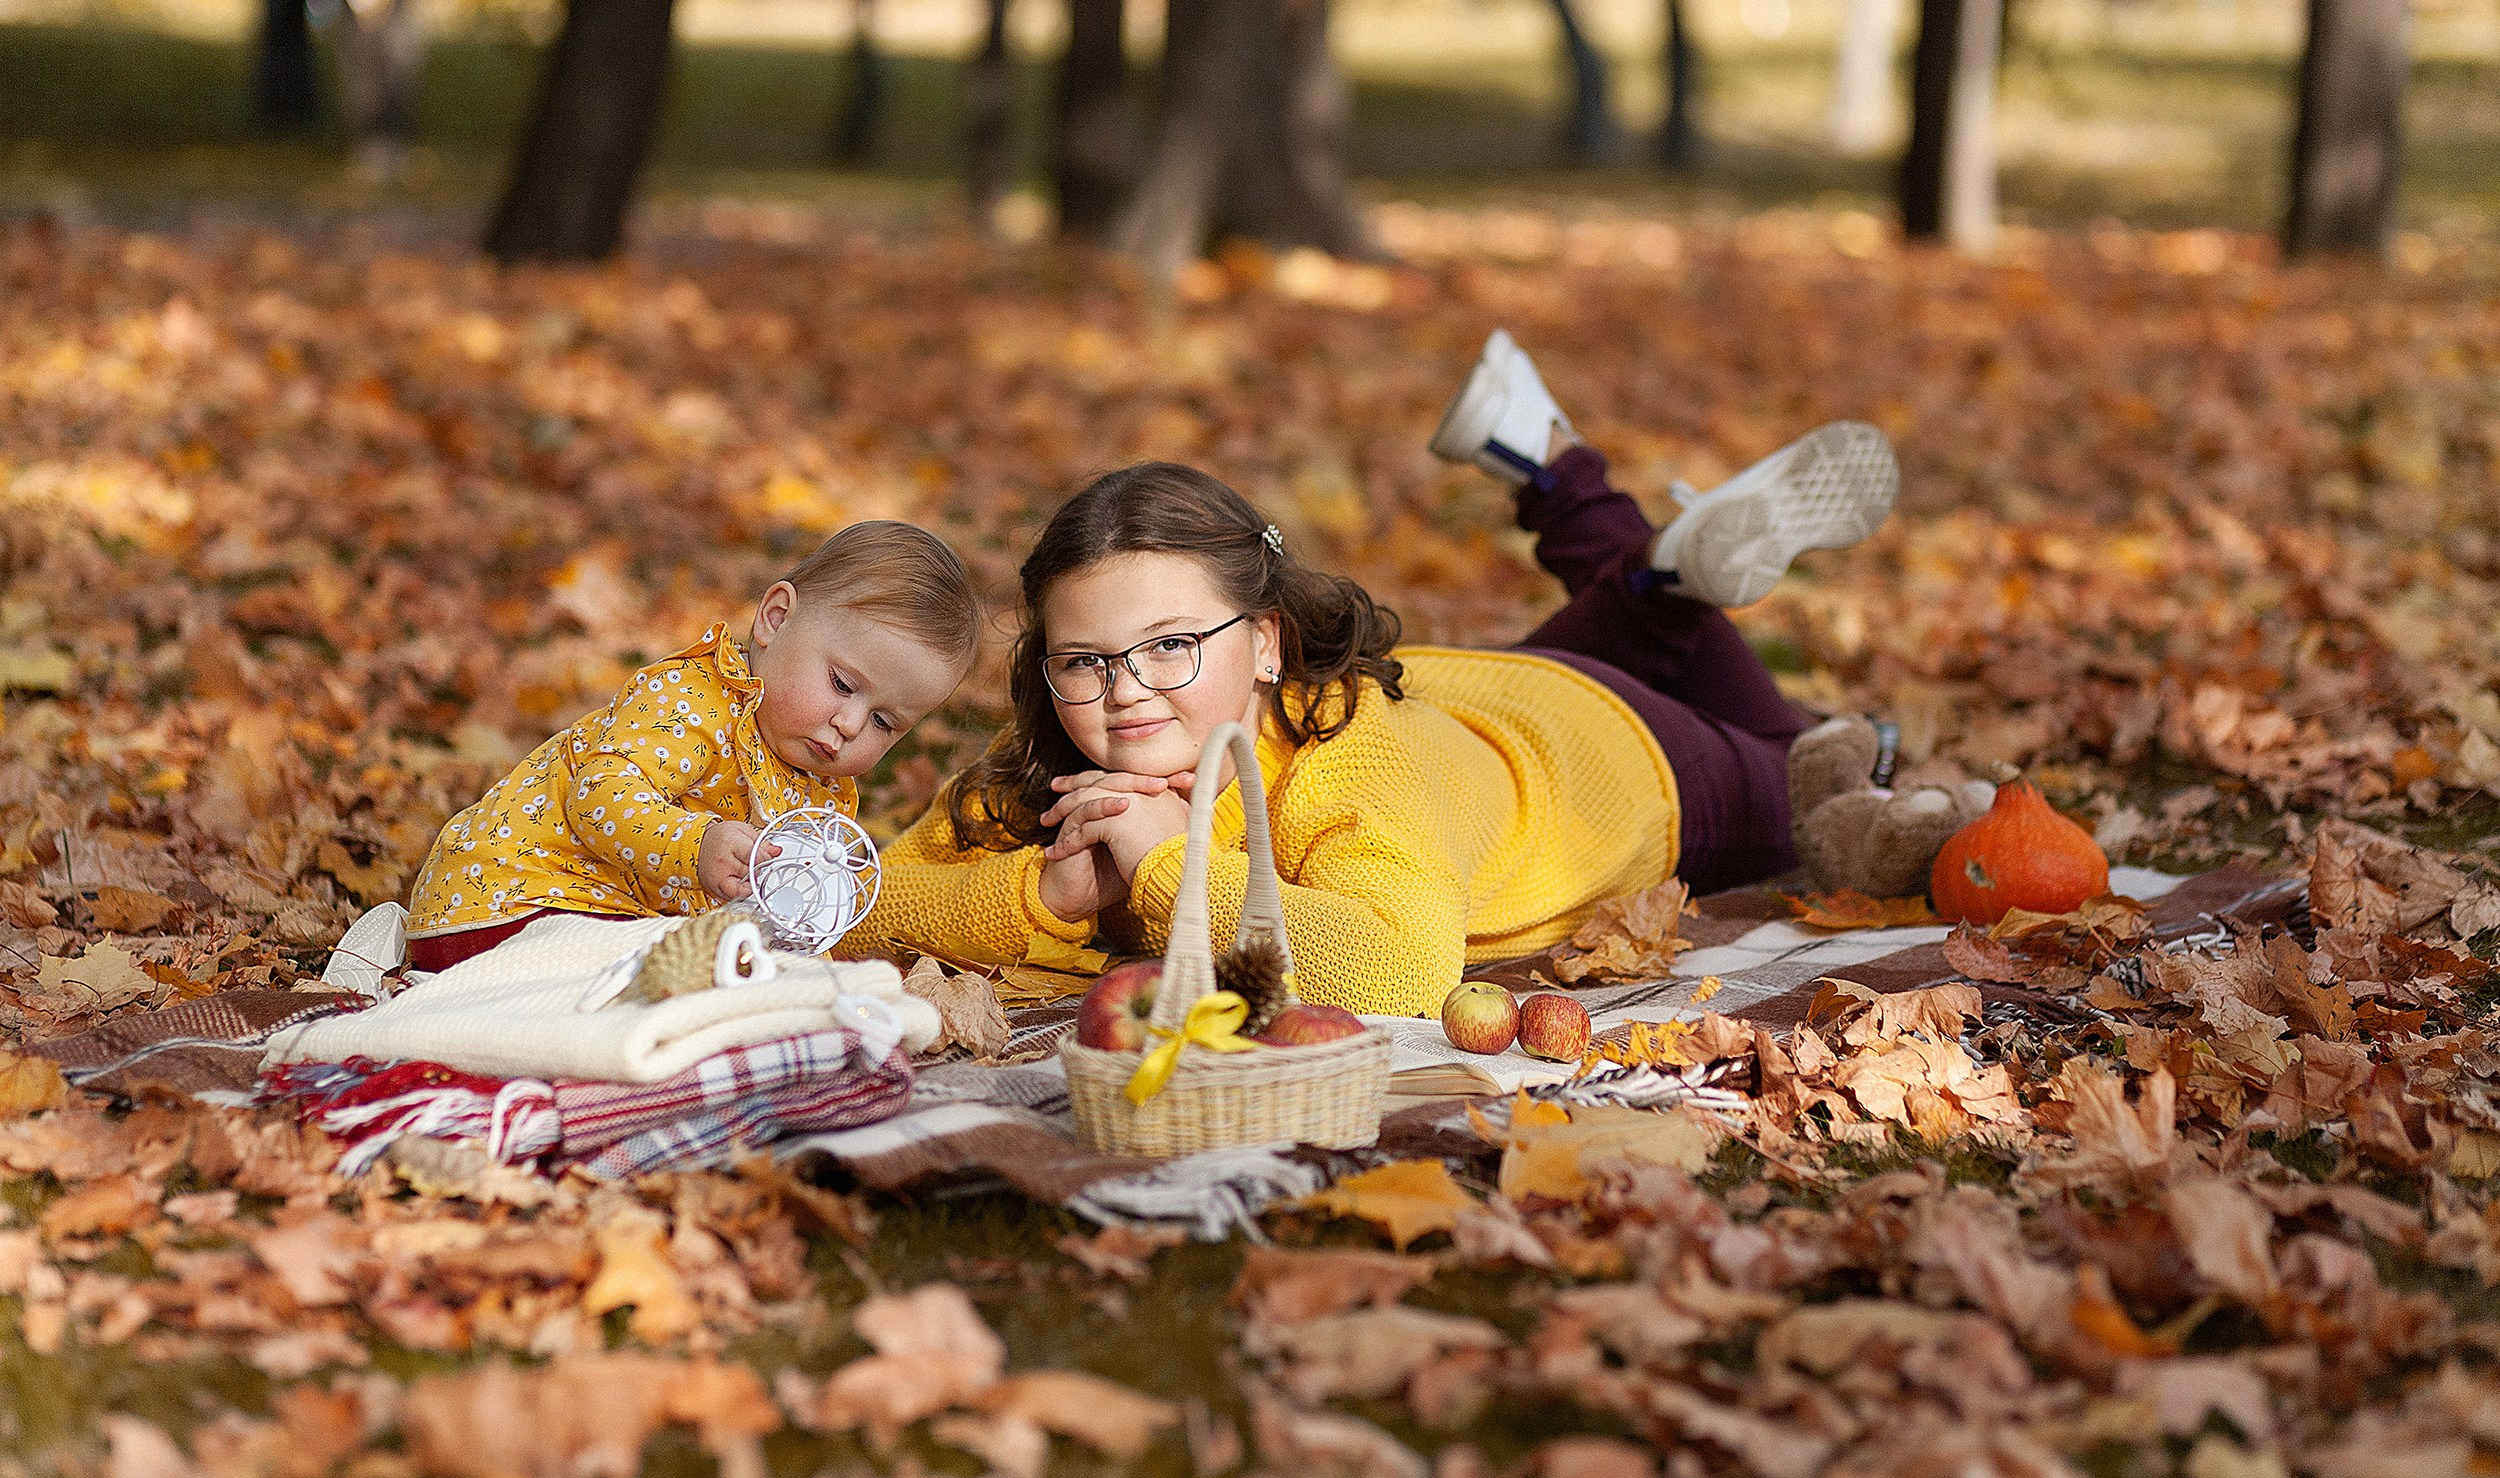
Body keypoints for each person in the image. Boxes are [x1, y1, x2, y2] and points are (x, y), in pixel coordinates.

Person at [847, 333, 1897, 1016]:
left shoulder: (1344, 763)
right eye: (1083, 659)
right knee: (1717, 660)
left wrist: (1171, 872)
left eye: (1172, 644)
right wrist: (1048, 889)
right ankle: (1615, 527)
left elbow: (1399, 968)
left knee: (1805, 769)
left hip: (1620, 766)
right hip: (1489, 696)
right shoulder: (1053, 759)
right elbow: (861, 898)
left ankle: (1682, 594)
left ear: (1264, 641)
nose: (1125, 690)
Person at [405, 521, 980, 972]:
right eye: (842, 685)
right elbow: (599, 797)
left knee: (728, 973)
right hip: (513, 898)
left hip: (612, 923)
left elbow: (783, 914)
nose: (851, 724)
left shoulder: (820, 792)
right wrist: (694, 844)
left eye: (885, 721)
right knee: (659, 970)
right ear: (775, 620)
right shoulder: (693, 699)